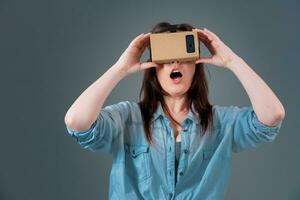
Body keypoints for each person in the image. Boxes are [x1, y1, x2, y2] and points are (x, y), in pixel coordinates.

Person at [64, 22, 285, 200]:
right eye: (166, 57)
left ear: (196, 65)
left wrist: (232, 61)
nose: (175, 62)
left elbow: (272, 116)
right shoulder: (127, 117)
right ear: (154, 67)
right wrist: (119, 69)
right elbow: (76, 121)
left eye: (183, 55)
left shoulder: (221, 122)